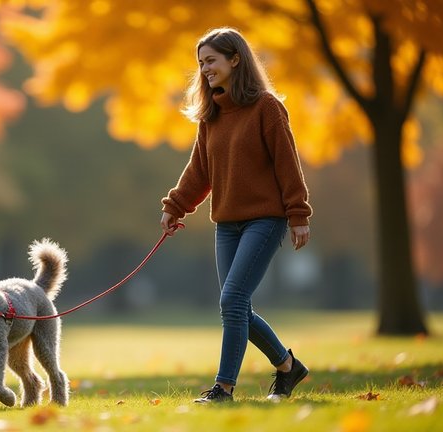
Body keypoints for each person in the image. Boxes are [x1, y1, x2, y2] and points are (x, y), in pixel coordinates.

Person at [159, 27, 312, 403]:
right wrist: (175, 206)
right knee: (236, 304)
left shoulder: (267, 107)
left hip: (265, 219)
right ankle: (288, 367)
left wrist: (298, 213)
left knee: (232, 301)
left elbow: (286, 164)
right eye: (201, 63)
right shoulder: (211, 116)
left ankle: (223, 388)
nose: (205, 69)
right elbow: (199, 171)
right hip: (226, 224)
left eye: (211, 60)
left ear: (235, 59)